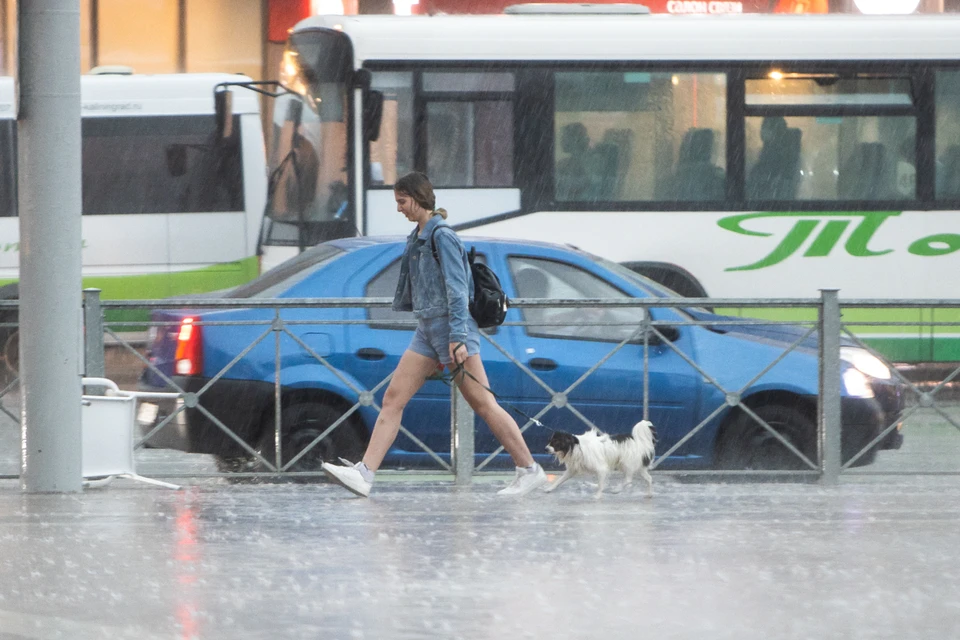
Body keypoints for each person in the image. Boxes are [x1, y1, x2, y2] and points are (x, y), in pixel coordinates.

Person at [321, 172, 547, 498]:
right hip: (428, 330)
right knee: (393, 399)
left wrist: (457, 337)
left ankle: (529, 469)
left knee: (483, 403)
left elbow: (457, 290)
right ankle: (365, 474)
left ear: (418, 197)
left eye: (402, 201)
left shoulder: (443, 237)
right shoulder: (419, 235)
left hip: (452, 330)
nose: (399, 208)